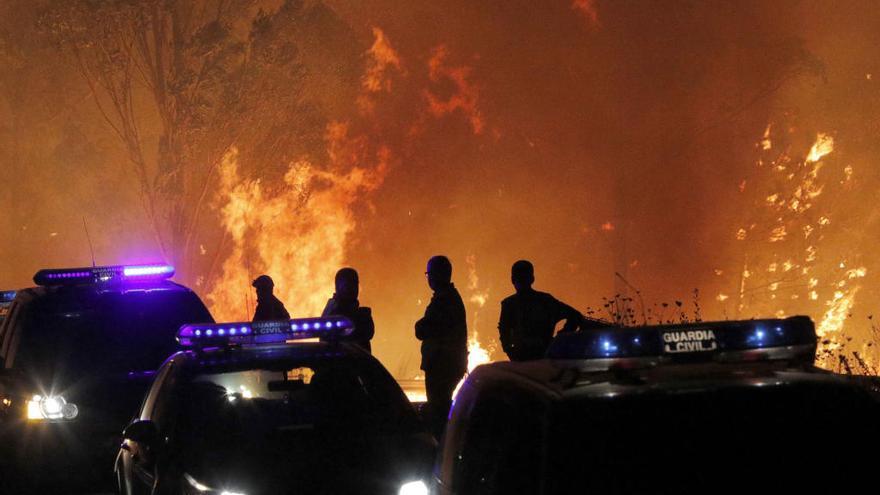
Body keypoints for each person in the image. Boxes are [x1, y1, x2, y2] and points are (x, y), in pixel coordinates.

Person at [415, 256, 468, 436]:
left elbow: (424, 328)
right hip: (446, 364)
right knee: (441, 409)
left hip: (441, 365)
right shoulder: (448, 298)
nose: (428, 278)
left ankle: (441, 451)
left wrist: (420, 326)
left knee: (439, 412)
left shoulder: (444, 300)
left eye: (430, 273)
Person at [498, 260, 583, 361]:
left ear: (512, 280)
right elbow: (504, 330)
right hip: (530, 357)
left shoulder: (544, 301)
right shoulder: (544, 300)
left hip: (538, 357)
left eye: (523, 278)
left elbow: (575, 316)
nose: (522, 281)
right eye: (520, 278)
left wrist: (560, 338)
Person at [321, 267, 375, 352]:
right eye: (346, 285)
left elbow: (367, 333)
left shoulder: (361, 315)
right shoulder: (332, 312)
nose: (351, 289)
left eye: (354, 284)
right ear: (338, 287)